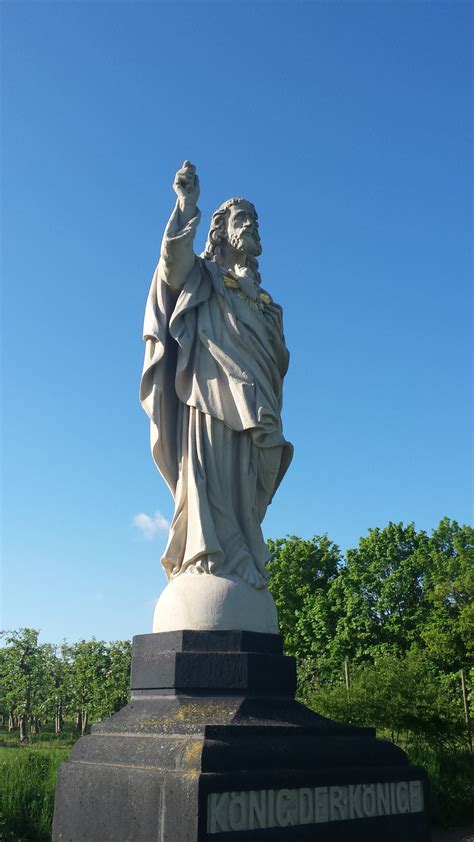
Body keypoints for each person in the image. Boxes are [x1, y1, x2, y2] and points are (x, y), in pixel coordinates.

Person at [140, 161, 293, 590]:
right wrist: (187, 205)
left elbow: (276, 358)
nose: (252, 226)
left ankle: (242, 553)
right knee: (209, 475)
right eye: (243, 219)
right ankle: (204, 557)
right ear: (222, 230)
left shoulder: (264, 300)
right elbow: (172, 265)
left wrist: (257, 307)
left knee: (249, 480)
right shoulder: (205, 274)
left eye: (255, 220)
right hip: (208, 396)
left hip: (256, 403)